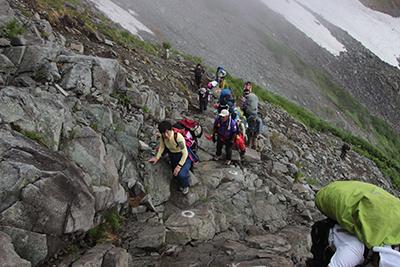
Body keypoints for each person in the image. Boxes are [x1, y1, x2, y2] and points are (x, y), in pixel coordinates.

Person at [307, 181, 400, 267]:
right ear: (379, 255)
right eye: (377, 264)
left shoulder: (389, 239)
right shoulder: (354, 251)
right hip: (322, 236)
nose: (375, 265)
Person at [148, 121, 193, 195]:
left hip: (183, 155)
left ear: (171, 130)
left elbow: (185, 153)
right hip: (173, 155)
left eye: (167, 132)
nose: (166, 135)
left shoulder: (178, 137)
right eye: (163, 133)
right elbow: (162, 147)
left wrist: (179, 166)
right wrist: (157, 157)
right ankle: (181, 183)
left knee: (180, 173)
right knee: (174, 173)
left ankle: (185, 186)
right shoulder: (163, 137)